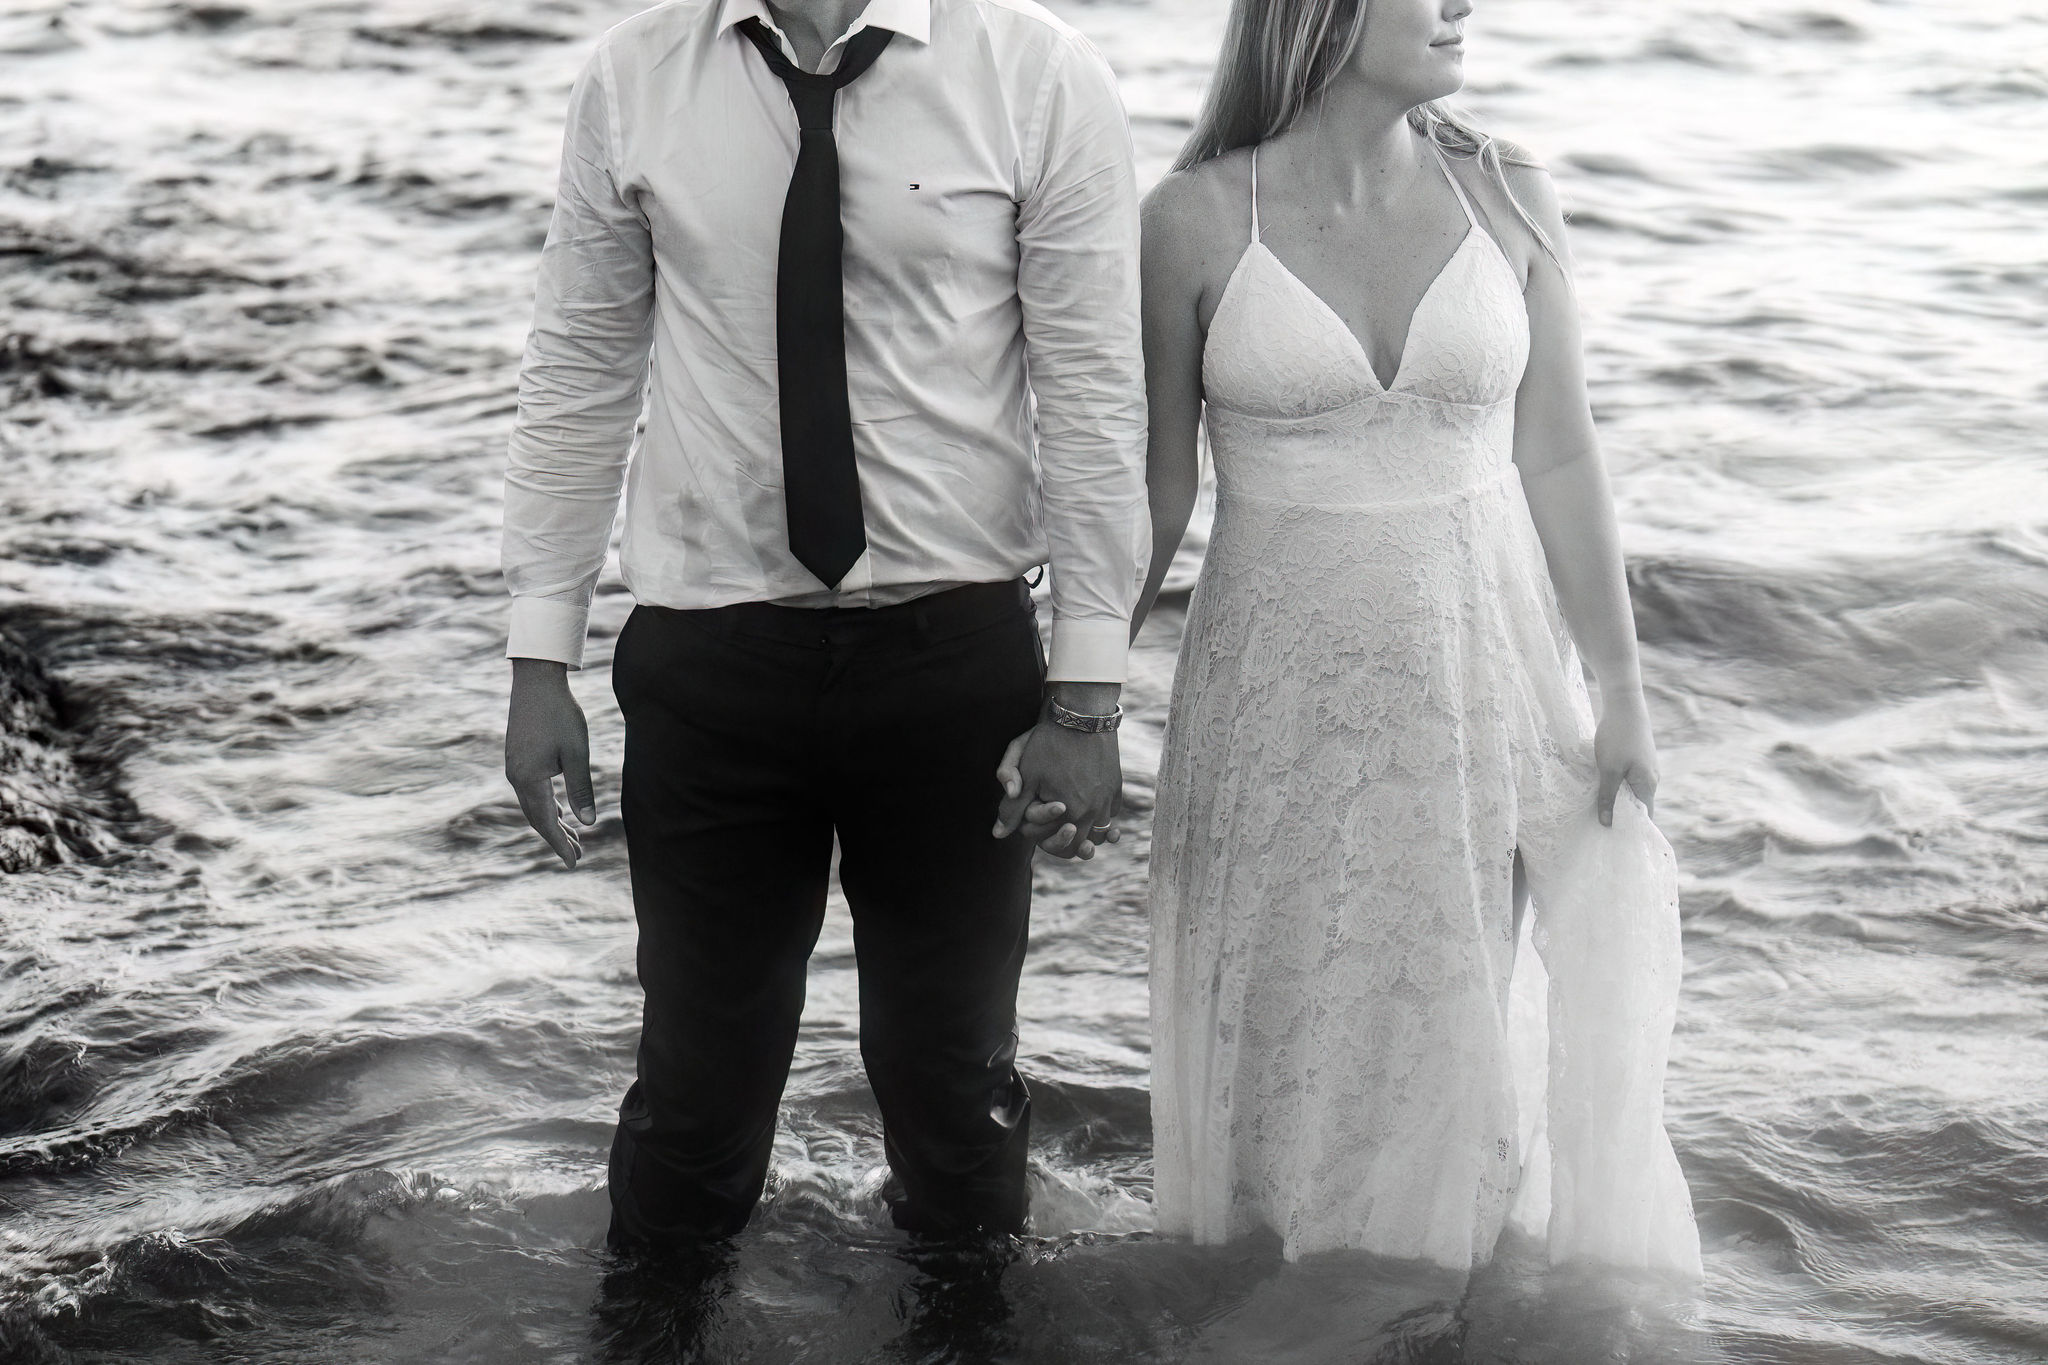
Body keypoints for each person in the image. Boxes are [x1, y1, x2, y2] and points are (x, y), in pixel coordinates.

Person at [498, 0, 1149, 1254]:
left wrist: (1085, 698)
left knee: (956, 1104)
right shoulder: (636, 75)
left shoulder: (1035, 73)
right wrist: (542, 659)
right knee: (691, 1109)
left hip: (951, 668)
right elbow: (579, 364)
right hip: (709, 664)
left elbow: (1091, 394)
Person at [1133, 0, 1701, 1272]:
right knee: (1296, 1033)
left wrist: (1619, 688)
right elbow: (1156, 497)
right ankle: (1293, 1299)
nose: (1460, 5)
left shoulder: (1506, 194)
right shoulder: (1190, 221)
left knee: (1453, 1029)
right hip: (1277, 703)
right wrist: (1064, 698)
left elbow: (1555, 451)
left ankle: (1433, 1302)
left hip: (1479, 682)